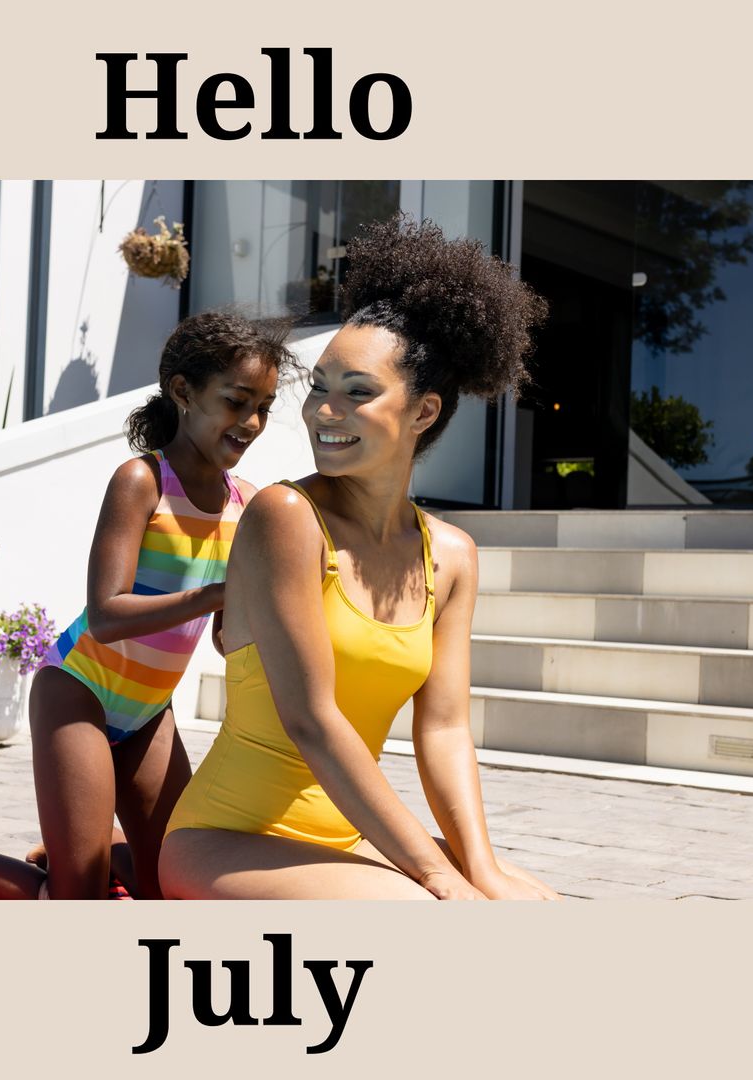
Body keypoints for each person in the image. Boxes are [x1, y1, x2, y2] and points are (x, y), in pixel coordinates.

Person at [160, 216, 561, 900]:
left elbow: (444, 729)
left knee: (542, 912)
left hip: (351, 841)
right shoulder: (287, 518)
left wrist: (481, 868)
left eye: (358, 391)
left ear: (424, 411)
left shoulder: (454, 556)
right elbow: (311, 720)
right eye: (320, 386)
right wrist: (436, 873)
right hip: (233, 842)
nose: (324, 411)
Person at [0, 311, 295, 899]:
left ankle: (97, 854)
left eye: (265, 407)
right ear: (183, 392)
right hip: (80, 691)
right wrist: (220, 592)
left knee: (180, 889)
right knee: (77, 905)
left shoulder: (244, 505)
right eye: (237, 400)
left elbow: (223, 634)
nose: (251, 421)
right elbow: (107, 614)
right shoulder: (142, 480)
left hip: (148, 712)